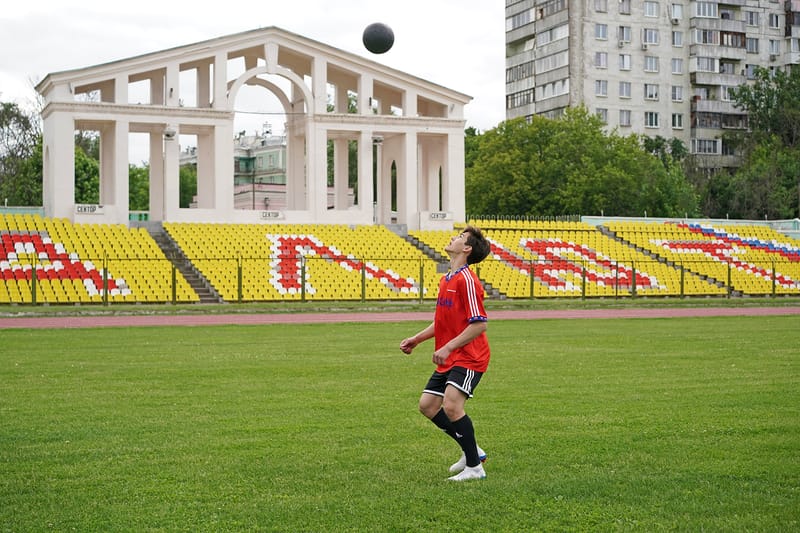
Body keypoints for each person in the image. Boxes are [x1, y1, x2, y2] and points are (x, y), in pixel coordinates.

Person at [399, 225, 492, 481]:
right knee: (428, 406)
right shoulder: (447, 279)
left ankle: (475, 468)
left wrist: (449, 346)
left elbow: (479, 324)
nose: (453, 237)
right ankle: (472, 450)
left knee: (451, 405)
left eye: (460, 237)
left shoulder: (467, 281)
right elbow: (442, 321)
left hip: (470, 356)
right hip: (451, 356)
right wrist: (417, 339)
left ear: (467, 248)